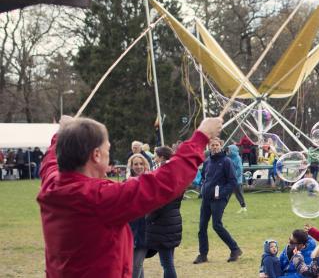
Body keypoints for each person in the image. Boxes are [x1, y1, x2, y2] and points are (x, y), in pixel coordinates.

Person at [37, 115, 222, 278]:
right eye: (107, 150)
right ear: (96, 155)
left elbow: (50, 161)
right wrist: (202, 136)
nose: (109, 156)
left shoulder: (52, 184)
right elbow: (163, 182)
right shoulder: (98, 198)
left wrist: (62, 134)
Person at [194, 138, 242, 264]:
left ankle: (235, 249)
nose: (214, 147)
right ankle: (203, 255)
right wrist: (203, 188)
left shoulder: (227, 161)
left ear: (221, 146)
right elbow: (204, 177)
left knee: (216, 225)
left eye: (216, 145)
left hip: (219, 199)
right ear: (209, 147)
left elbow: (233, 182)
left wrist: (221, 193)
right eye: (212, 145)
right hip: (206, 198)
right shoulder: (208, 161)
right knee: (202, 227)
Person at [145, 146, 184, 278]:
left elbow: (162, 202)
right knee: (168, 262)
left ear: (162, 157)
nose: (154, 158)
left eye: (156, 156)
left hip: (163, 222)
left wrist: (149, 217)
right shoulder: (176, 172)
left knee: (167, 264)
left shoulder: (164, 173)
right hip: (172, 218)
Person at [126, 153, 152, 278]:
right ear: (131, 166)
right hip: (130, 229)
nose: (138, 166)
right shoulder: (126, 183)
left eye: (141, 164)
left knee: (135, 266)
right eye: (135, 164)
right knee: (135, 264)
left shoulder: (150, 181)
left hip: (145, 229)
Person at [228, 144, 247, 213]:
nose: (228, 151)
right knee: (227, 194)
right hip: (229, 179)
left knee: (238, 194)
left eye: (229, 150)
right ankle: (221, 207)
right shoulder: (228, 158)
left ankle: (243, 207)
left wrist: (234, 177)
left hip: (237, 180)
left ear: (233, 150)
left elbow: (239, 169)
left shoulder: (237, 158)